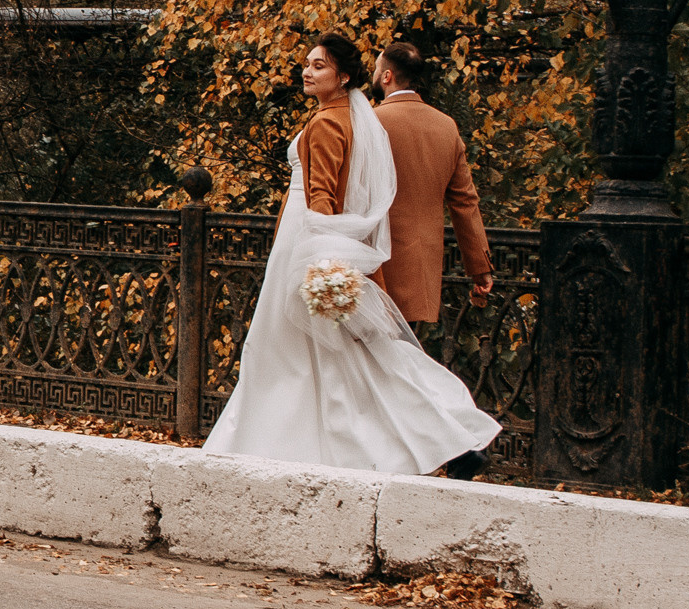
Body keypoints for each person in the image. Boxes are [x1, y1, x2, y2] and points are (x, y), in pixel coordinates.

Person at [202, 33, 501, 476]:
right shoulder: (420, 124)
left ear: (358, 75)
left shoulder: (353, 122)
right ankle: (442, 440)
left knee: (346, 358)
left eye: (318, 65)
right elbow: (465, 202)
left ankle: (436, 440)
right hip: (393, 257)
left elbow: (323, 194)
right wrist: (481, 268)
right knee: (363, 358)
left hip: (332, 246)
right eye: (306, 64)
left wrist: (324, 258)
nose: (306, 70)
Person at [371, 41, 497, 477]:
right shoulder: (447, 127)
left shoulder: (371, 122)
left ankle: (456, 444)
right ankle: (448, 447)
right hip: (423, 265)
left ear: (387, 76)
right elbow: (465, 202)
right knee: (401, 361)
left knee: (388, 365)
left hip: (375, 260)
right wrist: (479, 268)